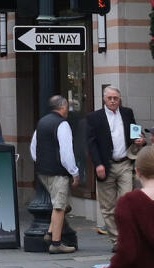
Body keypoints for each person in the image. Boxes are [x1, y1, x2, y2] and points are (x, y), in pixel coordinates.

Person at [87, 83, 141, 241]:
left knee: (127, 203)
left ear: (120, 100)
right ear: (104, 99)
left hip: (125, 163)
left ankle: (127, 237)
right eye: (109, 98)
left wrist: (139, 141)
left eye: (115, 98)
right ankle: (117, 240)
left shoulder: (127, 113)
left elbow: (134, 132)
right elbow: (91, 143)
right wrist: (98, 164)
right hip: (105, 165)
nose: (112, 101)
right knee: (108, 207)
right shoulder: (94, 117)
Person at [28, 94, 79, 253]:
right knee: (59, 207)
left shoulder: (42, 122)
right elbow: (66, 153)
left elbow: (33, 148)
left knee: (58, 201)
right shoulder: (62, 124)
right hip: (58, 172)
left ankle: (50, 233)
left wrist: (42, 162)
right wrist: (74, 172)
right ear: (63, 107)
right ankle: (56, 244)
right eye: (67, 107)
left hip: (43, 172)